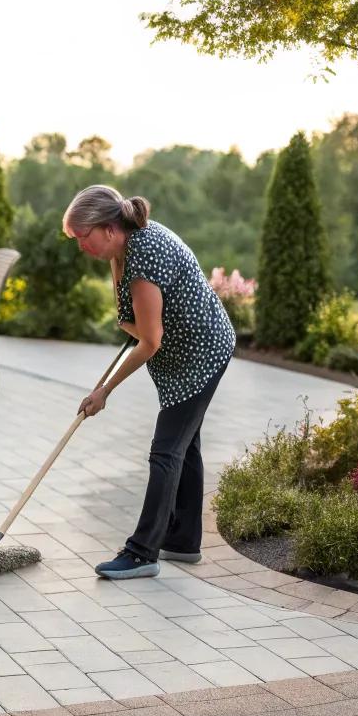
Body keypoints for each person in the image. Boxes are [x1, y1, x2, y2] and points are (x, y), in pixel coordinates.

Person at [62, 185, 235, 580]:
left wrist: (104, 390)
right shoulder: (122, 248)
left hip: (201, 354)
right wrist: (134, 325)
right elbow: (133, 322)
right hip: (180, 353)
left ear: (107, 228)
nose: (81, 246)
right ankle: (184, 542)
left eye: (83, 237)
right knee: (186, 446)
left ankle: (143, 552)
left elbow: (149, 340)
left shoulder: (144, 254)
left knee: (166, 452)